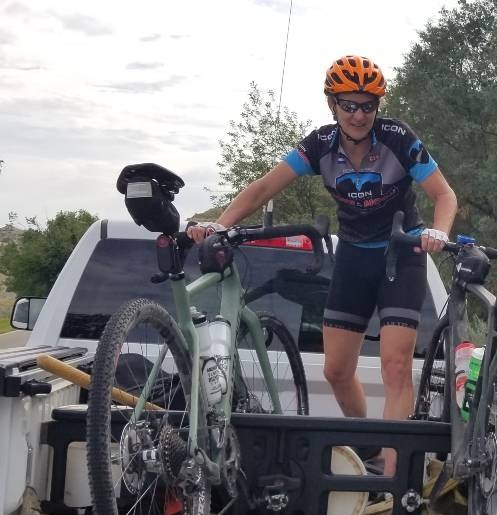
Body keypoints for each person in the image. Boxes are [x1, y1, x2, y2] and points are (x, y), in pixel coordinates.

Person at [189, 55, 458, 474]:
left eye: (367, 105)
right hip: (353, 257)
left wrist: (439, 231)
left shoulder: (398, 138)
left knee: (395, 366)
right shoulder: (319, 145)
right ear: (332, 105)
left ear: (377, 108)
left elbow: (445, 195)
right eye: (348, 104)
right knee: (335, 370)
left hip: (400, 255)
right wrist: (219, 225)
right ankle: (368, 451)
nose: (358, 114)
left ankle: (391, 479)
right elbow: (261, 188)